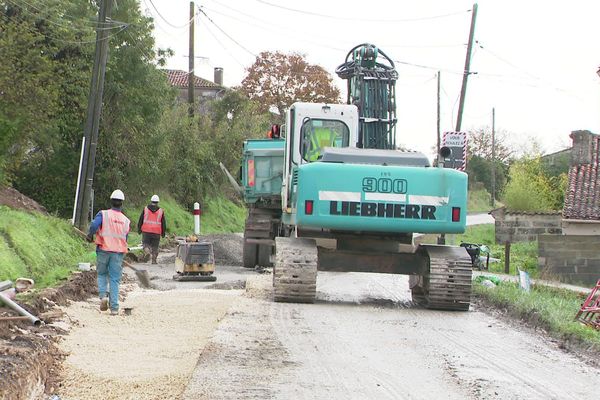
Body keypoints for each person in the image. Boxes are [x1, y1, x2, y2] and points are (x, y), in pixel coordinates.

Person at [86, 189, 131, 316]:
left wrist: (90, 235)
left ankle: (103, 296)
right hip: (117, 253)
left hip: (103, 250)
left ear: (111, 201)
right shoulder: (126, 220)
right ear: (122, 203)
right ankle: (115, 308)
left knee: (102, 274)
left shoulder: (103, 214)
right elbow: (125, 238)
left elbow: (95, 225)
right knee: (115, 279)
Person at [137, 194, 166, 264]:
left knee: (145, 244)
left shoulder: (145, 209)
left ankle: (147, 252)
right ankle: (154, 260)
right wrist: (163, 233)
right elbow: (163, 223)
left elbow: (140, 220)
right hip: (156, 232)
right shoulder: (161, 211)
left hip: (146, 231)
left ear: (151, 201)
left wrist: (139, 229)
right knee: (155, 246)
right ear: (158, 202)